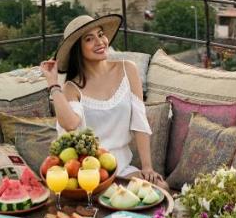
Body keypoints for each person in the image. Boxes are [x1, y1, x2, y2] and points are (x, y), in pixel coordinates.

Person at [40, 14, 165, 187]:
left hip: (122, 169)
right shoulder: (72, 88)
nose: (100, 42)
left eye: (100, 34)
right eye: (89, 39)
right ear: (78, 48)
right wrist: (53, 84)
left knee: (160, 188)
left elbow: (140, 123)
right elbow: (70, 124)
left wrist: (147, 168)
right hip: (89, 174)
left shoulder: (128, 69)